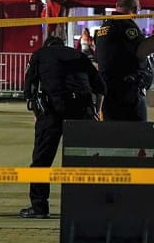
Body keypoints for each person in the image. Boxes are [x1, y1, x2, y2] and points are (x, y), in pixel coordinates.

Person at [20, 35, 106, 219]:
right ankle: (83, 208)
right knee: (83, 161)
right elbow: (100, 87)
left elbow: (29, 89)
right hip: (82, 111)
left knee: (42, 161)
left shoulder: (40, 55)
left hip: (51, 111)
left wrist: (38, 116)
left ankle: (39, 208)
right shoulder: (79, 56)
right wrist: (95, 112)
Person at [95, 0, 154, 121]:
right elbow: (142, 50)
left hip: (109, 92)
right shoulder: (125, 25)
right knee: (137, 136)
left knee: (114, 136)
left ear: (116, 5)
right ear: (135, 9)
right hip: (127, 94)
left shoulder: (105, 27)